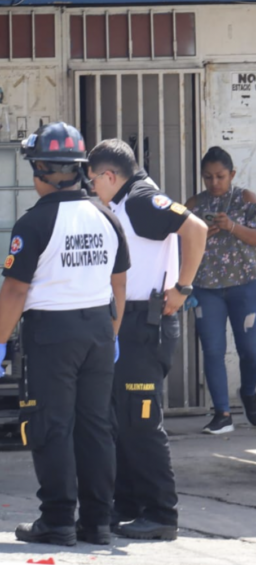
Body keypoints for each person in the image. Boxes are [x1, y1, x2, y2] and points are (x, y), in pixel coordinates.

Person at [0, 122, 129, 547]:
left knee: (52, 426)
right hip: (99, 331)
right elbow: (119, 281)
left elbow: (15, 289)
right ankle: (98, 522)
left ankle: (58, 520)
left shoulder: (33, 223)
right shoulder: (106, 215)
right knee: (96, 427)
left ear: (42, 170)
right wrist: (113, 331)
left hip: (53, 334)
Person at [89, 140, 207, 541]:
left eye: (93, 180)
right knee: (121, 420)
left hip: (146, 324)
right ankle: (129, 504)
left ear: (109, 176)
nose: (91, 188)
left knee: (141, 423)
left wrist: (183, 287)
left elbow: (196, 227)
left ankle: (161, 513)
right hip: (128, 321)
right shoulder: (124, 199)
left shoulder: (140, 198)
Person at [186, 147, 256, 433]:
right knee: (213, 350)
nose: (214, 183)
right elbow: (175, 244)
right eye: (208, 177)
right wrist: (199, 231)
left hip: (244, 286)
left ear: (232, 175)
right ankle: (222, 415)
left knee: (250, 350)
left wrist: (232, 227)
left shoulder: (246, 199)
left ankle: (249, 392)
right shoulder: (193, 204)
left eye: (220, 176)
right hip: (206, 289)